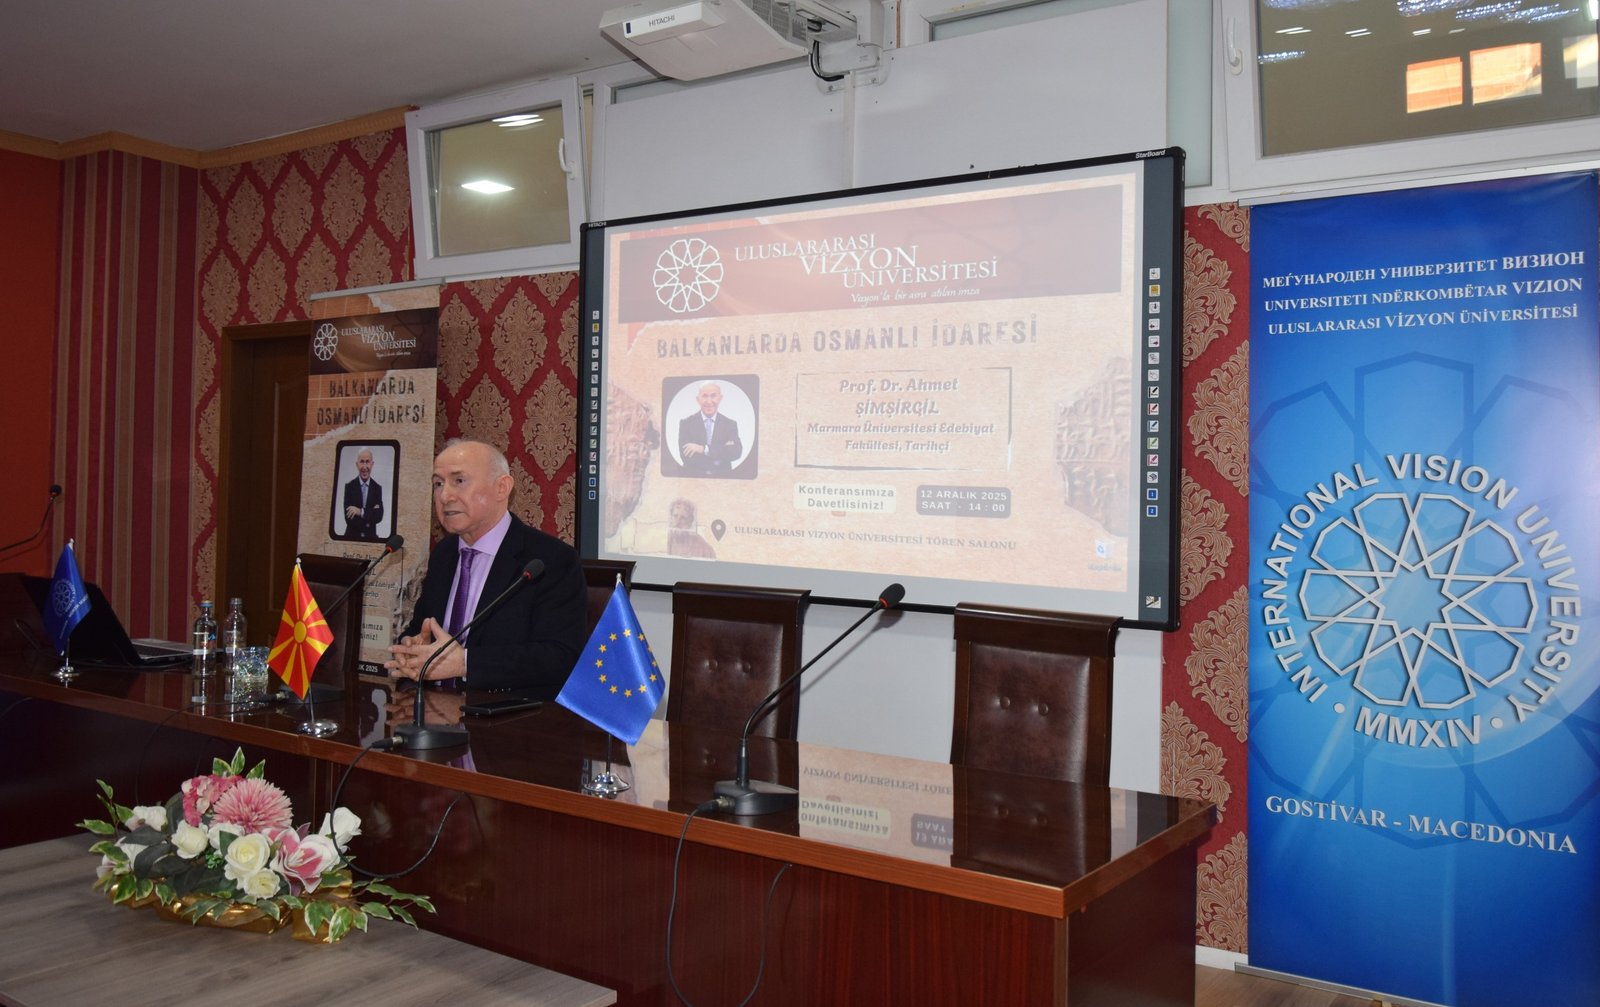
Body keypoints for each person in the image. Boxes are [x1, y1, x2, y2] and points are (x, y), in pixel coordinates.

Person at [385, 439, 586, 697]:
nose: (445, 496)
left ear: (502, 488)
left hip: (508, 714)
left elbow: (561, 656)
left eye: (459, 481)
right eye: (438, 483)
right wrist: (412, 645)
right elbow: (420, 627)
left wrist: (466, 664)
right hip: (434, 707)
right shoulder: (444, 554)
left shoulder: (550, 560)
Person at [676, 381, 742, 476]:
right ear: (698, 399)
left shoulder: (730, 424)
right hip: (693, 479)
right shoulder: (686, 423)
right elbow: (686, 457)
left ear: (720, 398)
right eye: (704, 396)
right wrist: (722, 451)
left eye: (713, 396)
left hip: (723, 479)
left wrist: (703, 449)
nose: (709, 401)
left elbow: (736, 452)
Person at [342, 448, 384, 540]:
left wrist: (360, 511)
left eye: (367, 462)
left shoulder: (377, 488)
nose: (364, 467)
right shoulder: (349, 487)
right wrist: (371, 512)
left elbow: (379, 516)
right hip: (351, 539)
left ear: (372, 464)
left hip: (371, 539)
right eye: (362, 462)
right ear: (357, 465)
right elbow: (349, 519)